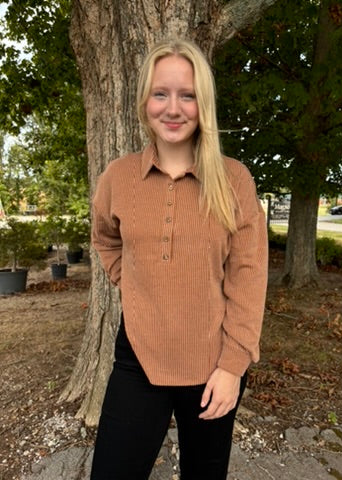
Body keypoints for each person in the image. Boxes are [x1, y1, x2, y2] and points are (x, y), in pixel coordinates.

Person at [90, 38, 268, 480]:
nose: (174, 108)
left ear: (202, 103)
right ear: (144, 101)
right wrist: (128, 281)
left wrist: (232, 367)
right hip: (137, 359)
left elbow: (248, 277)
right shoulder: (119, 176)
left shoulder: (234, 180)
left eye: (187, 95)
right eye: (161, 93)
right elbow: (105, 238)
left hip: (213, 364)